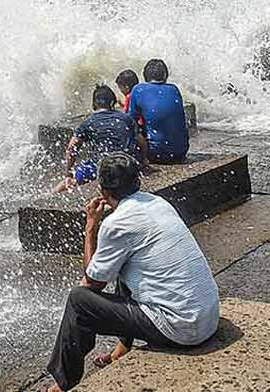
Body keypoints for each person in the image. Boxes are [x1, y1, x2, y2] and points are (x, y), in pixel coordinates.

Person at [46, 153, 220, 392]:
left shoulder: (116, 224)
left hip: (182, 329)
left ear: (103, 190)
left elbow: (93, 282)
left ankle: (63, 383)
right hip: (207, 317)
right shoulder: (159, 203)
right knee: (127, 265)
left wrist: (90, 227)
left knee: (79, 300)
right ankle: (121, 350)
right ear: (137, 181)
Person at [53, 85, 147, 194]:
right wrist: (144, 160)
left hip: (100, 167)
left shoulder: (88, 122)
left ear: (94, 104)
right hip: (125, 166)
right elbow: (142, 142)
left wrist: (68, 173)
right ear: (113, 103)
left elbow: (71, 148)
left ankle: (49, 196)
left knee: (67, 182)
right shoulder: (126, 119)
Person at [128, 59, 189, 164]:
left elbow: (130, 121)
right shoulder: (174, 89)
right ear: (165, 76)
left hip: (156, 154)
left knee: (131, 129)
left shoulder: (138, 90)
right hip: (181, 151)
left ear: (145, 75)